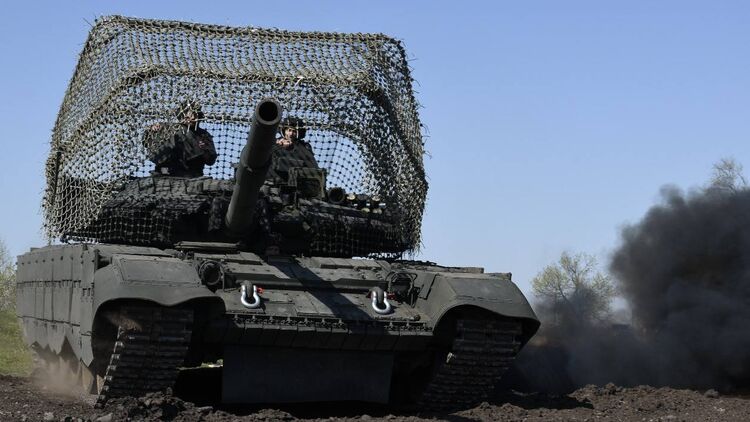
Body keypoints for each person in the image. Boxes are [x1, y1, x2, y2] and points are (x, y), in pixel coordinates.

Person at [142, 100, 217, 177]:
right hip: (166, 172)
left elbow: (211, 160)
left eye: (195, 114)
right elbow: (146, 141)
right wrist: (151, 130)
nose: (193, 117)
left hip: (191, 174)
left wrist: (204, 150)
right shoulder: (169, 128)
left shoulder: (203, 135)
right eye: (189, 114)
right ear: (182, 115)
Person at [269, 117, 318, 182]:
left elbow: (312, 167)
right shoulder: (275, 143)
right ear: (284, 131)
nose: (291, 134)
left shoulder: (304, 148)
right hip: (273, 180)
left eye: (294, 131)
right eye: (289, 130)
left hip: (297, 182)